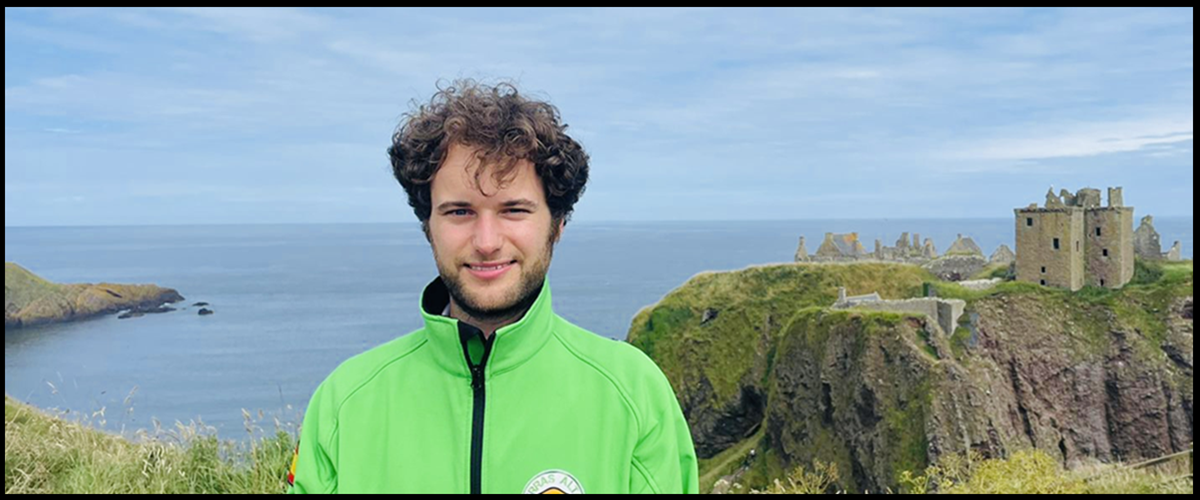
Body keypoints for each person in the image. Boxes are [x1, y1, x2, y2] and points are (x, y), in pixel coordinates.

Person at [287, 80, 698, 494]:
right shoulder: (344, 404)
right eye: (460, 211)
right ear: (428, 226)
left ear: (557, 225)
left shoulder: (634, 395)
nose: (486, 242)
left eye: (514, 210)